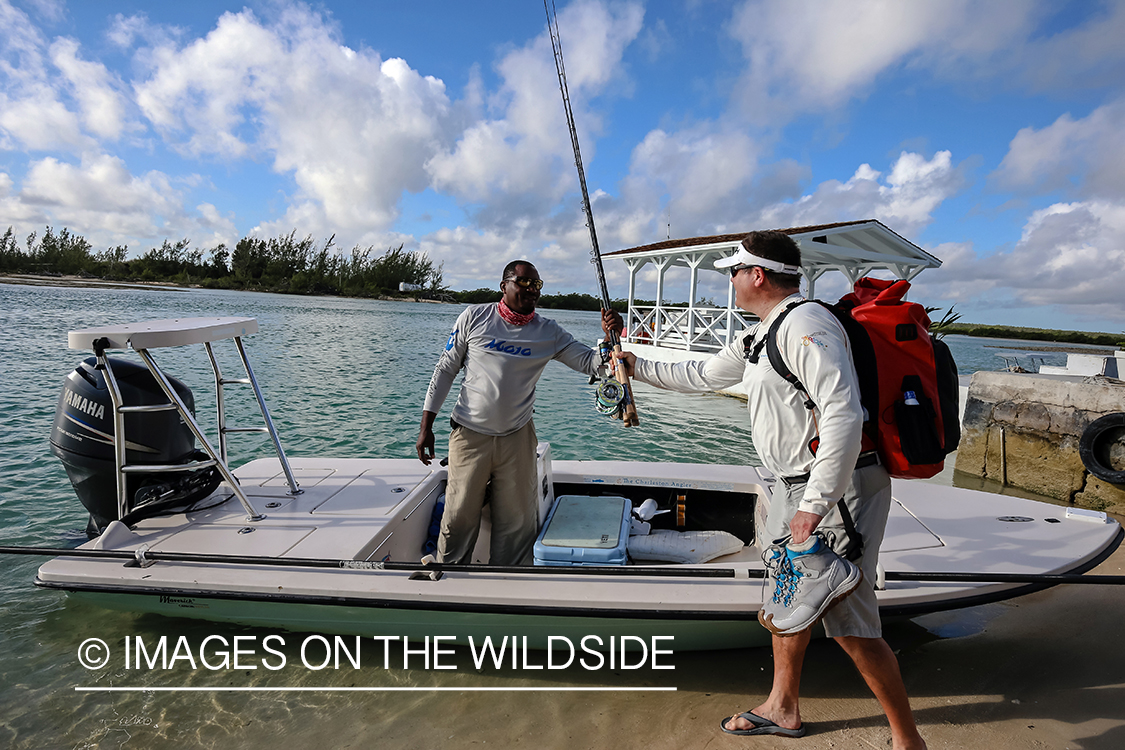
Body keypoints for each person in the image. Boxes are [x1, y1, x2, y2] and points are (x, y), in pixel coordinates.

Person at [612, 231, 926, 749]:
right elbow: (703, 374)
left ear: (756, 274)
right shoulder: (762, 332)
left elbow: (844, 414)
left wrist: (814, 505)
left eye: (732, 272)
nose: (729, 281)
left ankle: (907, 739)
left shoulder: (806, 324)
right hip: (791, 488)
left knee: (847, 616)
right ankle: (782, 708)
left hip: (835, 494)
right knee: (788, 600)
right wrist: (636, 366)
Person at [417, 260, 622, 566]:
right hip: (470, 434)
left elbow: (593, 364)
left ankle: (506, 582)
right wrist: (426, 425)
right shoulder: (474, 317)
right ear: (504, 286)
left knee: (516, 523)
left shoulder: (548, 331)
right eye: (524, 283)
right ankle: (449, 576)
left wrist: (611, 338)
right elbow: (445, 369)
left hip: (517, 438)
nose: (531, 290)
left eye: (536, 285)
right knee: (458, 515)